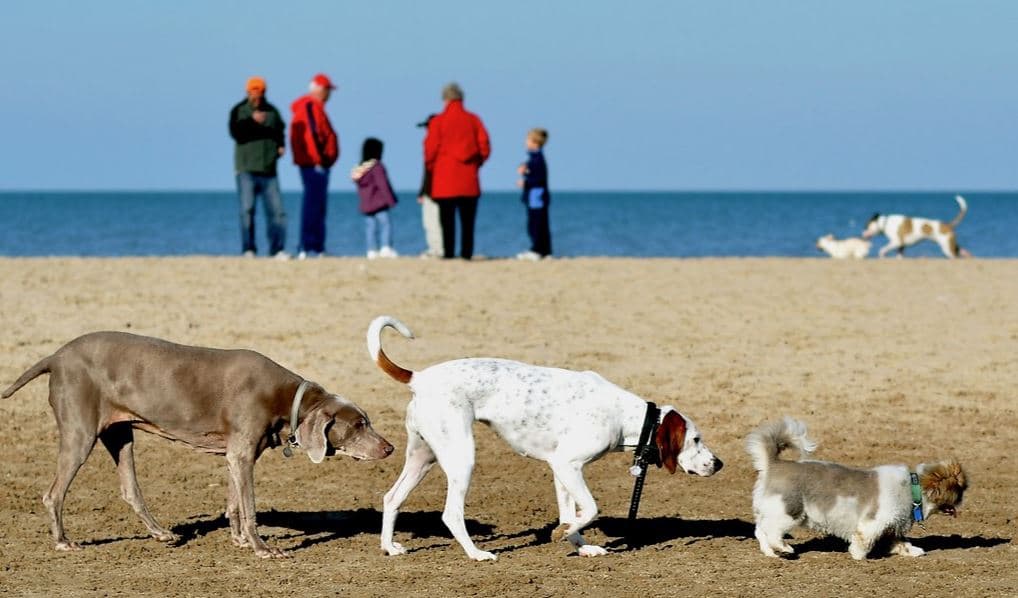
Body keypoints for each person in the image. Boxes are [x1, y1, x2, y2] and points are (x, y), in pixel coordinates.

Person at [423, 83, 491, 260]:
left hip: (444, 178)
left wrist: (432, 167)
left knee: (447, 221)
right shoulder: (474, 120)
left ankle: (449, 253)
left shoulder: (438, 121)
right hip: (468, 177)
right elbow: (484, 145)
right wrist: (477, 162)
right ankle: (466, 254)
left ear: (445, 100)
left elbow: (430, 149)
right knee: (468, 222)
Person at [228, 76, 289, 259]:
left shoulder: (273, 112)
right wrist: (253, 121)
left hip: (269, 170)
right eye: (253, 92)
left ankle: (277, 249)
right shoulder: (239, 111)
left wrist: (280, 145)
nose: (256, 96)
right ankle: (249, 248)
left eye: (260, 92)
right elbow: (236, 132)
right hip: (246, 169)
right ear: (247, 93)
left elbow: (280, 130)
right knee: (247, 210)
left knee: (277, 212)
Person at [290, 73, 339, 259]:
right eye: (327, 90)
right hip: (313, 164)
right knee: (313, 205)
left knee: (318, 206)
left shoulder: (316, 108)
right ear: (319, 89)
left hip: (317, 163)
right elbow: (311, 135)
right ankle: (308, 245)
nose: (329, 94)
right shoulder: (310, 107)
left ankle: (316, 245)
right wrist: (318, 160)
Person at [351, 137, 398, 259]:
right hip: (379, 203)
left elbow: (356, 180)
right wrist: (391, 200)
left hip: (366, 204)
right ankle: (385, 247)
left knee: (370, 227)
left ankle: (371, 250)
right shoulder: (376, 166)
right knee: (385, 224)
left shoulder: (360, 168)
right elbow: (383, 185)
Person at [516, 128, 552, 260]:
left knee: (536, 225)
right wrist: (524, 170)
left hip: (536, 198)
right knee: (540, 224)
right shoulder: (534, 158)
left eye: (528, 139)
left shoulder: (538, 159)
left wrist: (525, 183)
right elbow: (531, 171)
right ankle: (545, 251)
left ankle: (537, 250)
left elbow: (538, 178)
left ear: (535, 142)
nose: (525, 142)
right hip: (536, 197)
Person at [416, 114, 443, 258]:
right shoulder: (431, 145)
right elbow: (426, 173)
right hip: (430, 190)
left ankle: (438, 249)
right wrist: (421, 192)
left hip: (436, 190)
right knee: (430, 222)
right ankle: (435, 247)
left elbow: (429, 172)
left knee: (435, 221)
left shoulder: (437, 146)